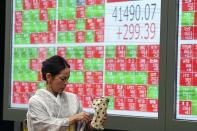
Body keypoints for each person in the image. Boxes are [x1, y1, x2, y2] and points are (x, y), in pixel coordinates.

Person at [27, 55, 91, 131]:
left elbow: (81, 126)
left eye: (67, 79)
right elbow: (44, 126)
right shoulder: (36, 101)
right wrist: (72, 119)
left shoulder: (73, 98)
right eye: (63, 79)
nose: (66, 83)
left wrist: (94, 124)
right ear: (49, 77)